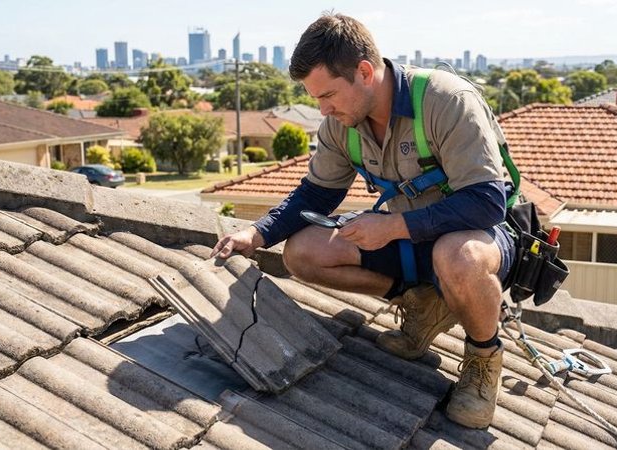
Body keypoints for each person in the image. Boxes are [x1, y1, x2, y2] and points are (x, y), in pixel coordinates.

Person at [211, 13, 515, 429]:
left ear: (365, 72)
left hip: (480, 239)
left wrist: (391, 228)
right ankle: (422, 303)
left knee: (456, 256)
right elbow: (316, 194)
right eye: (316, 99)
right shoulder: (341, 124)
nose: (323, 108)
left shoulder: (446, 101)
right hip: (414, 236)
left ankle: (482, 358)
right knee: (303, 252)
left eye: (329, 95)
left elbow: (487, 202)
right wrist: (257, 232)